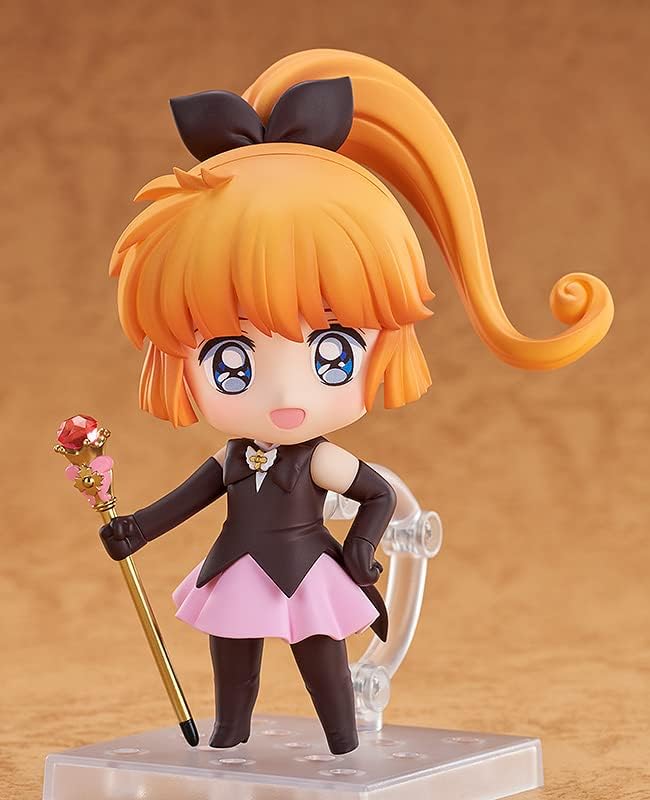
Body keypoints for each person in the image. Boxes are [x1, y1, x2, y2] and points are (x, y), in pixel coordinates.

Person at [99, 48, 613, 755]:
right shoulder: (231, 458)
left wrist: (362, 549)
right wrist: (134, 529)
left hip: (309, 569)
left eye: (330, 353)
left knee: (323, 664)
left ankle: (342, 743)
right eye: (231, 359)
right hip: (238, 566)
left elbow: (376, 496)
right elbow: (182, 502)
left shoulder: (321, 460)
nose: (286, 394)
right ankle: (228, 738)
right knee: (232, 659)